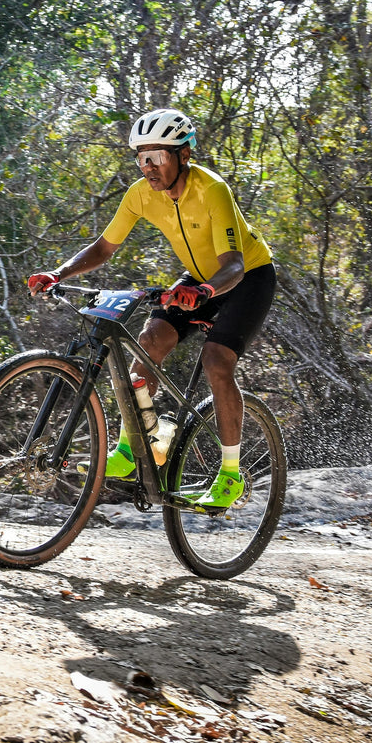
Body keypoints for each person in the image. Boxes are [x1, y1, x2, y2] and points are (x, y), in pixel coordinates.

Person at [25, 108, 276, 509]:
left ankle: (230, 474)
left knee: (216, 361)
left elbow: (233, 264)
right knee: (149, 341)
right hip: (198, 276)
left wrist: (207, 291)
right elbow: (105, 248)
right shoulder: (141, 194)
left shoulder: (212, 189)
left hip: (246, 278)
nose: (149, 167)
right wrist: (59, 273)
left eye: (158, 156)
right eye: (142, 157)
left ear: (183, 156)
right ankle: (132, 447)